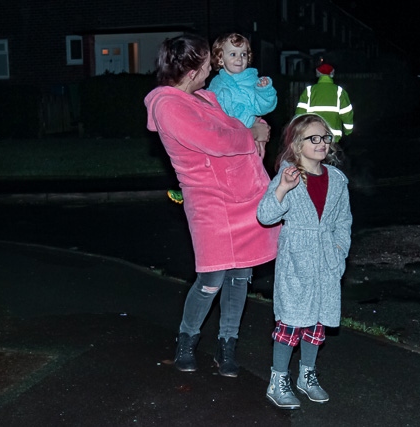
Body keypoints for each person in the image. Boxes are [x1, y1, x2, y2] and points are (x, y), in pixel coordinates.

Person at [144, 33, 280, 377]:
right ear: (191, 70)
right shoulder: (167, 104)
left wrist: (257, 125)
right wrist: (250, 136)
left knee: (239, 276)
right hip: (210, 204)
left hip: (243, 197)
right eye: (206, 63)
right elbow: (216, 140)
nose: (211, 68)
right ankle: (186, 343)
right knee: (211, 279)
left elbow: (238, 119)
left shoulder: (206, 98)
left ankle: (226, 346)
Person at [256, 113, 353, 409]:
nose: (322, 143)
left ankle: (307, 375)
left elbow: (343, 221)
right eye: (314, 138)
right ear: (297, 145)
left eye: (325, 138)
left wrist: (339, 251)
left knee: (318, 323)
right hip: (297, 261)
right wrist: (283, 189)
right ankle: (278, 379)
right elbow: (265, 215)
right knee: (290, 324)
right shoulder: (288, 175)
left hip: (326, 260)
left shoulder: (336, 180)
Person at [167, 32, 277, 205]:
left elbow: (263, 107)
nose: (239, 59)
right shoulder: (217, 83)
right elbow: (209, 111)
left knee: (247, 171)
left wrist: (264, 91)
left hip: (243, 132)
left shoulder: (252, 80)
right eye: (233, 54)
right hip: (228, 133)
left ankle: (256, 199)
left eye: (244, 54)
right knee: (212, 164)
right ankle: (188, 190)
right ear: (220, 59)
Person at [295, 63, 354, 144]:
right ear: (332, 74)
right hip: (333, 137)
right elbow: (347, 114)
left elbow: (300, 114)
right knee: (331, 156)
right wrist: (348, 132)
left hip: (313, 136)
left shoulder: (309, 91)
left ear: (318, 74)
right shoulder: (339, 91)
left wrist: (299, 132)